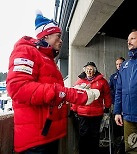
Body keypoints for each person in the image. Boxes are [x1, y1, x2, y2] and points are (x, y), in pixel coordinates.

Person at [6, 11, 99, 154]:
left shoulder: (47, 59)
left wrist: (75, 89)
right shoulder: (26, 51)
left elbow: (48, 89)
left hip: (48, 135)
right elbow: (17, 88)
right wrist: (68, 92)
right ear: (46, 35)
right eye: (58, 36)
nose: (61, 41)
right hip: (35, 141)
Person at [70, 62, 112, 154]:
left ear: (94, 71)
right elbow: (75, 96)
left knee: (95, 135)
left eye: (91, 69)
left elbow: (107, 95)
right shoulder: (79, 82)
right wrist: (74, 109)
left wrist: (107, 106)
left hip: (97, 114)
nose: (89, 71)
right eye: (87, 69)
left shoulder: (102, 81)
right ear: (84, 71)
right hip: (82, 114)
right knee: (83, 135)